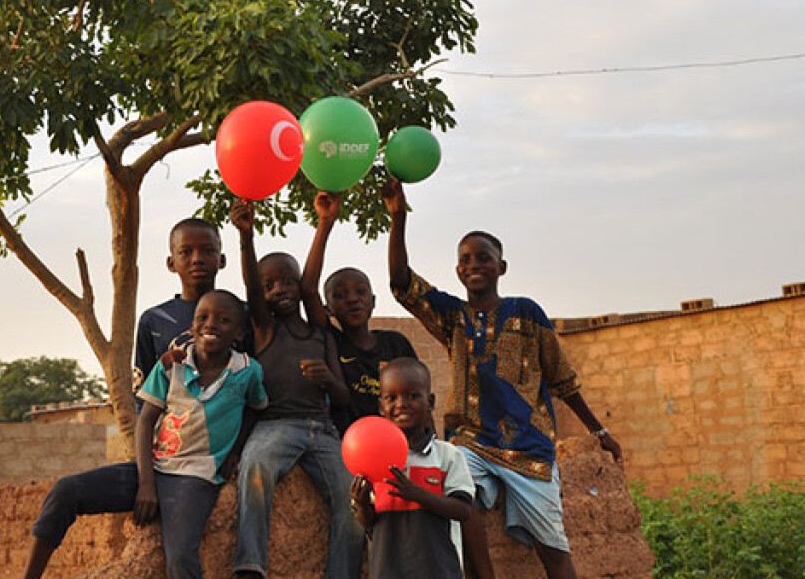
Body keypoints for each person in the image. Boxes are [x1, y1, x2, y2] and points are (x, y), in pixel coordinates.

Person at [382, 180, 623, 579]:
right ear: (458, 271)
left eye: (484, 258)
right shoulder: (453, 317)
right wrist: (397, 217)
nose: (474, 265)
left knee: (553, 547)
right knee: (462, 501)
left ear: (501, 267)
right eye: (465, 260)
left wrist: (599, 432)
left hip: (530, 446)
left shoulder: (528, 313)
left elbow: (563, 381)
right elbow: (401, 284)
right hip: (471, 440)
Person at [23, 290, 267, 579]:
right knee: (66, 490)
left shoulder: (247, 372)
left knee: (180, 559)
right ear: (191, 327)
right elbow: (146, 421)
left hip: (195, 477)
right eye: (202, 317)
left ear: (239, 333)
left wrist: (236, 450)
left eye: (223, 320)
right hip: (153, 469)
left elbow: (256, 409)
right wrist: (146, 484)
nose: (211, 324)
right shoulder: (171, 366)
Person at [230, 198, 364, 579]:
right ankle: (250, 565)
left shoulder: (321, 334)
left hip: (323, 429)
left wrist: (328, 380)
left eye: (288, 281)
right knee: (256, 468)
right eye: (270, 285)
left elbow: (342, 396)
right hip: (275, 424)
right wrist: (246, 237)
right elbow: (251, 288)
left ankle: (342, 573)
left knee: (353, 496)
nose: (281, 289)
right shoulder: (263, 328)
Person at [302, 190, 418, 434]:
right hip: (349, 444)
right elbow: (308, 289)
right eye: (340, 295)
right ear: (328, 309)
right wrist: (325, 222)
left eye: (360, 292)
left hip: (394, 442)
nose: (352, 299)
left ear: (373, 301)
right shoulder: (333, 342)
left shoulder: (395, 345)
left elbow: (419, 395)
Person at [349, 357, 474, 579]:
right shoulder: (372, 459)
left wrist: (417, 494)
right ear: (381, 407)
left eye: (413, 396)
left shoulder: (447, 456)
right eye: (391, 398)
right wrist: (362, 504)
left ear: (430, 402)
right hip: (388, 571)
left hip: (439, 572)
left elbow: (463, 510)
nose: (402, 404)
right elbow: (368, 524)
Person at [133, 218, 228, 396]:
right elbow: (143, 389)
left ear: (221, 260)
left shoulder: (242, 314)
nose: (197, 259)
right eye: (186, 252)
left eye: (208, 251)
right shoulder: (154, 320)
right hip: (173, 413)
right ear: (171, 263)